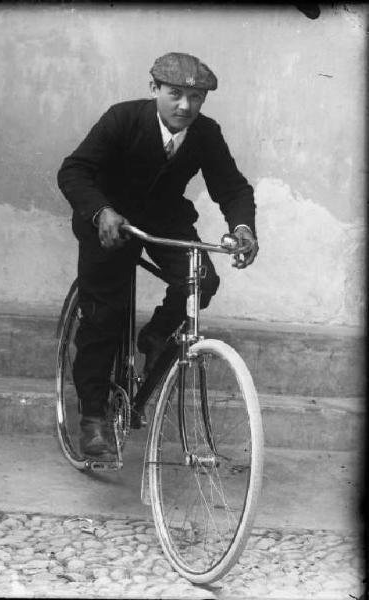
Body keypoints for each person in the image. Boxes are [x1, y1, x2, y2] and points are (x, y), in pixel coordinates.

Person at [57, 52, 259, 460]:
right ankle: (93, 419)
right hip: (109, 224)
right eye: (175, 94)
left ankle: (155, 335)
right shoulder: (122, 119)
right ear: (155, 90)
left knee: (201, 280)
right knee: (103, 317)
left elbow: (233, 187)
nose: (185, 106)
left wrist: (242, 227)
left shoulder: (205, 133)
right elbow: (73, 170)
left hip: (163, 220)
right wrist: (100, 211)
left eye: (196, 97)